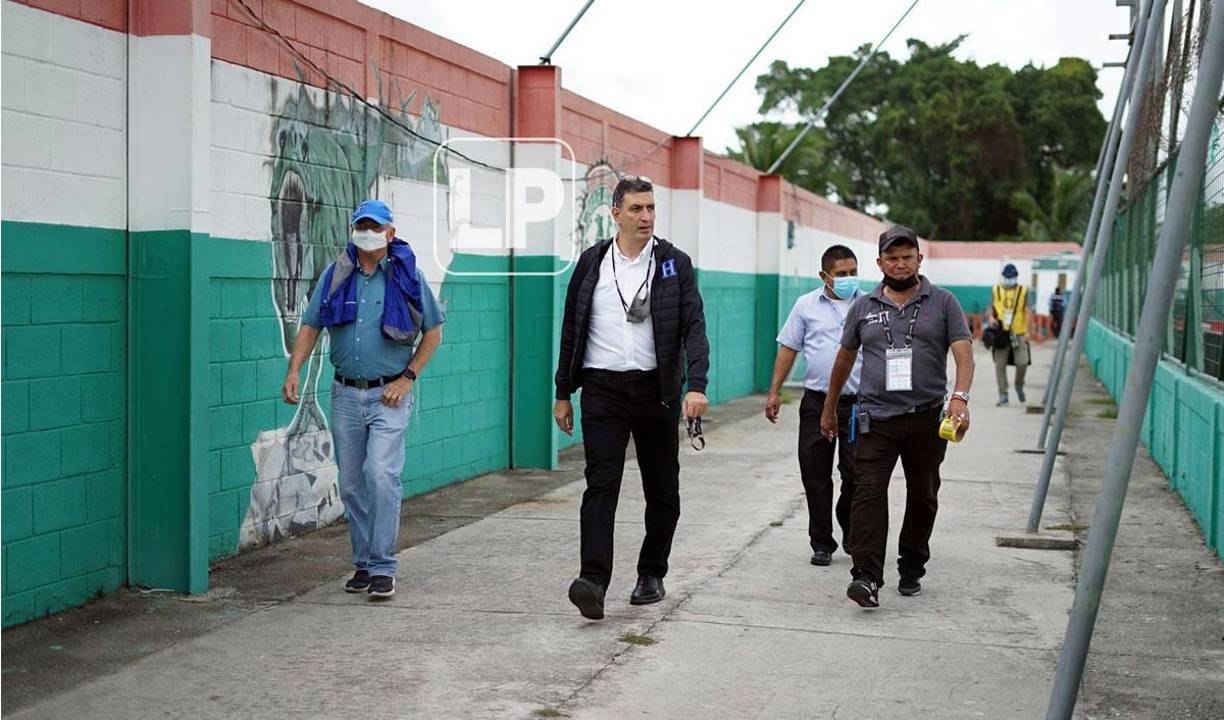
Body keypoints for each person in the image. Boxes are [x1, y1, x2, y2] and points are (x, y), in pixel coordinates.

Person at [553, 175, 710, 621]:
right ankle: (594, 581)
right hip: (602, 390)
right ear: (616, 213)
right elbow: (571, 330)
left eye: (651, 209)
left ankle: (651, 572)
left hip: (656, 391)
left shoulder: (674, 264)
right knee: (601, 484)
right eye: (637, 209)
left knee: (662, 489)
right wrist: (563, 391)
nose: (645, 217)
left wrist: (695, 385)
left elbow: (693, 328)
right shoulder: (591, 263)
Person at [282, 199, 445, 600]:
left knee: (381, 475)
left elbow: (434, 332)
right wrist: (294, 370)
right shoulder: (337, 275)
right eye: (361, 226)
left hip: (388, 394)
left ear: (390, 232)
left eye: (375, 226)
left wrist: (408, 378)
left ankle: (384, 567)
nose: (366, 232)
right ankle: (364, 564)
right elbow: (311, 325)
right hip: (344, 394)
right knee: (353, 483)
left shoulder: (407, 277)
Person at [821, 225, 975, 608]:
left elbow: (963, 353)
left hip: (927, 419)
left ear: (919, 260)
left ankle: (912, 564)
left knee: (923, 495)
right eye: (892, 257)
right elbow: (844, 358)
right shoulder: (863, 307)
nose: (900, 264)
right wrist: (829, 407)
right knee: (867, 494)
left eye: (908, 257)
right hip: (876, 418)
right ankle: (867, 577)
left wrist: (959, 397)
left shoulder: (943, 303)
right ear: (880, 263)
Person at [765, 245, 864, 567]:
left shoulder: (868, 304)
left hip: (858, 406)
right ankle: (822, 541)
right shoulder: (806, 306)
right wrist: (774, 392)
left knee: (856, 474)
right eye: (841, 274)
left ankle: (850, 528)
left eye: (853, 272)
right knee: (815, 475)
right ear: (824, 276)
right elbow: (788, 348)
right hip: (816, 401)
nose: (849, 279)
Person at [985, 263, 1033, 406]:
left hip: (1019, 332)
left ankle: (1019, 385)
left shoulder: (1023, 291)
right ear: (1003, 277)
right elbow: (990, 307)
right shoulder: (996, 290)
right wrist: (990, 318)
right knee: (1000, 365)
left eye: (1012, 277)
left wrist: (1028, 331)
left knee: (1022, 362)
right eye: (1007, 277)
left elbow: (1029, 311)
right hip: (1001, 333)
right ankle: (1003, 395)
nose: (1009, 280)